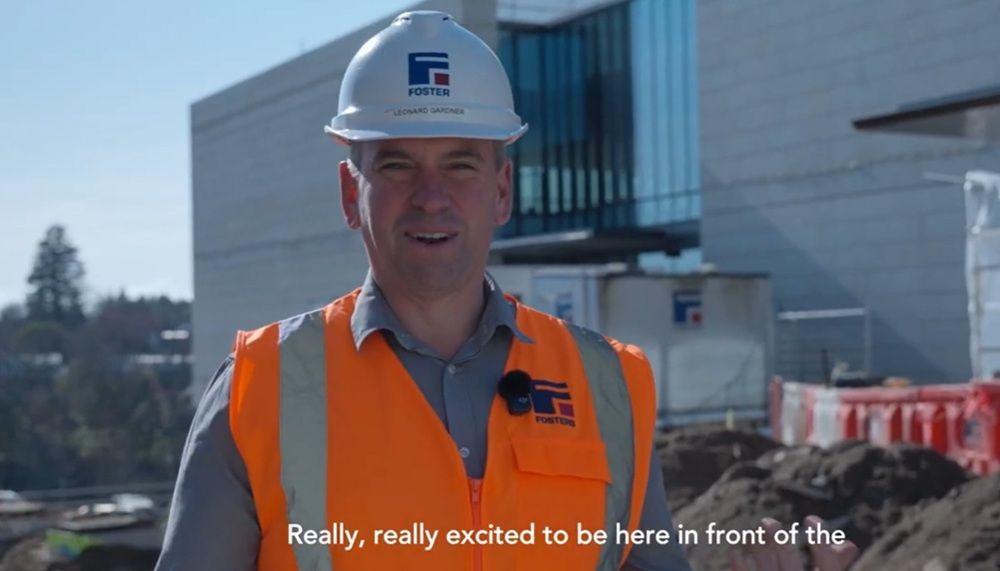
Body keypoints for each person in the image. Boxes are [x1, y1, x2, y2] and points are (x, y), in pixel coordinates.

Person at [156, 11, 857, 571]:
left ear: (501, 191)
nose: (431, 197)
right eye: (396, 166)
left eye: (460, 165)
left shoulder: (610, 386)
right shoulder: (260, 389)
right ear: (350, 193)